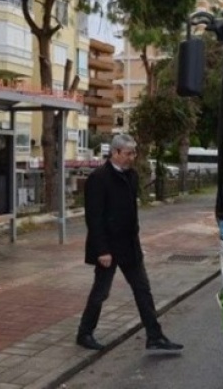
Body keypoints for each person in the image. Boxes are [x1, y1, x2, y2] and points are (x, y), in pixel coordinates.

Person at [76, 133, 183, 352]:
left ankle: (155, 336)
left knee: (143, 289)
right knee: (101, 292)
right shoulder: (99, 178)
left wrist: (136, 238)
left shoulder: (131, 176)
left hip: (130, 246)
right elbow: (94, 218)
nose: (132, 157)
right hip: (108, 247)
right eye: (128, 153)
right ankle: (84, 333)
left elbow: (131, 212)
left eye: (134, 152)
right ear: (115, 153)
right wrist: (102, 250)